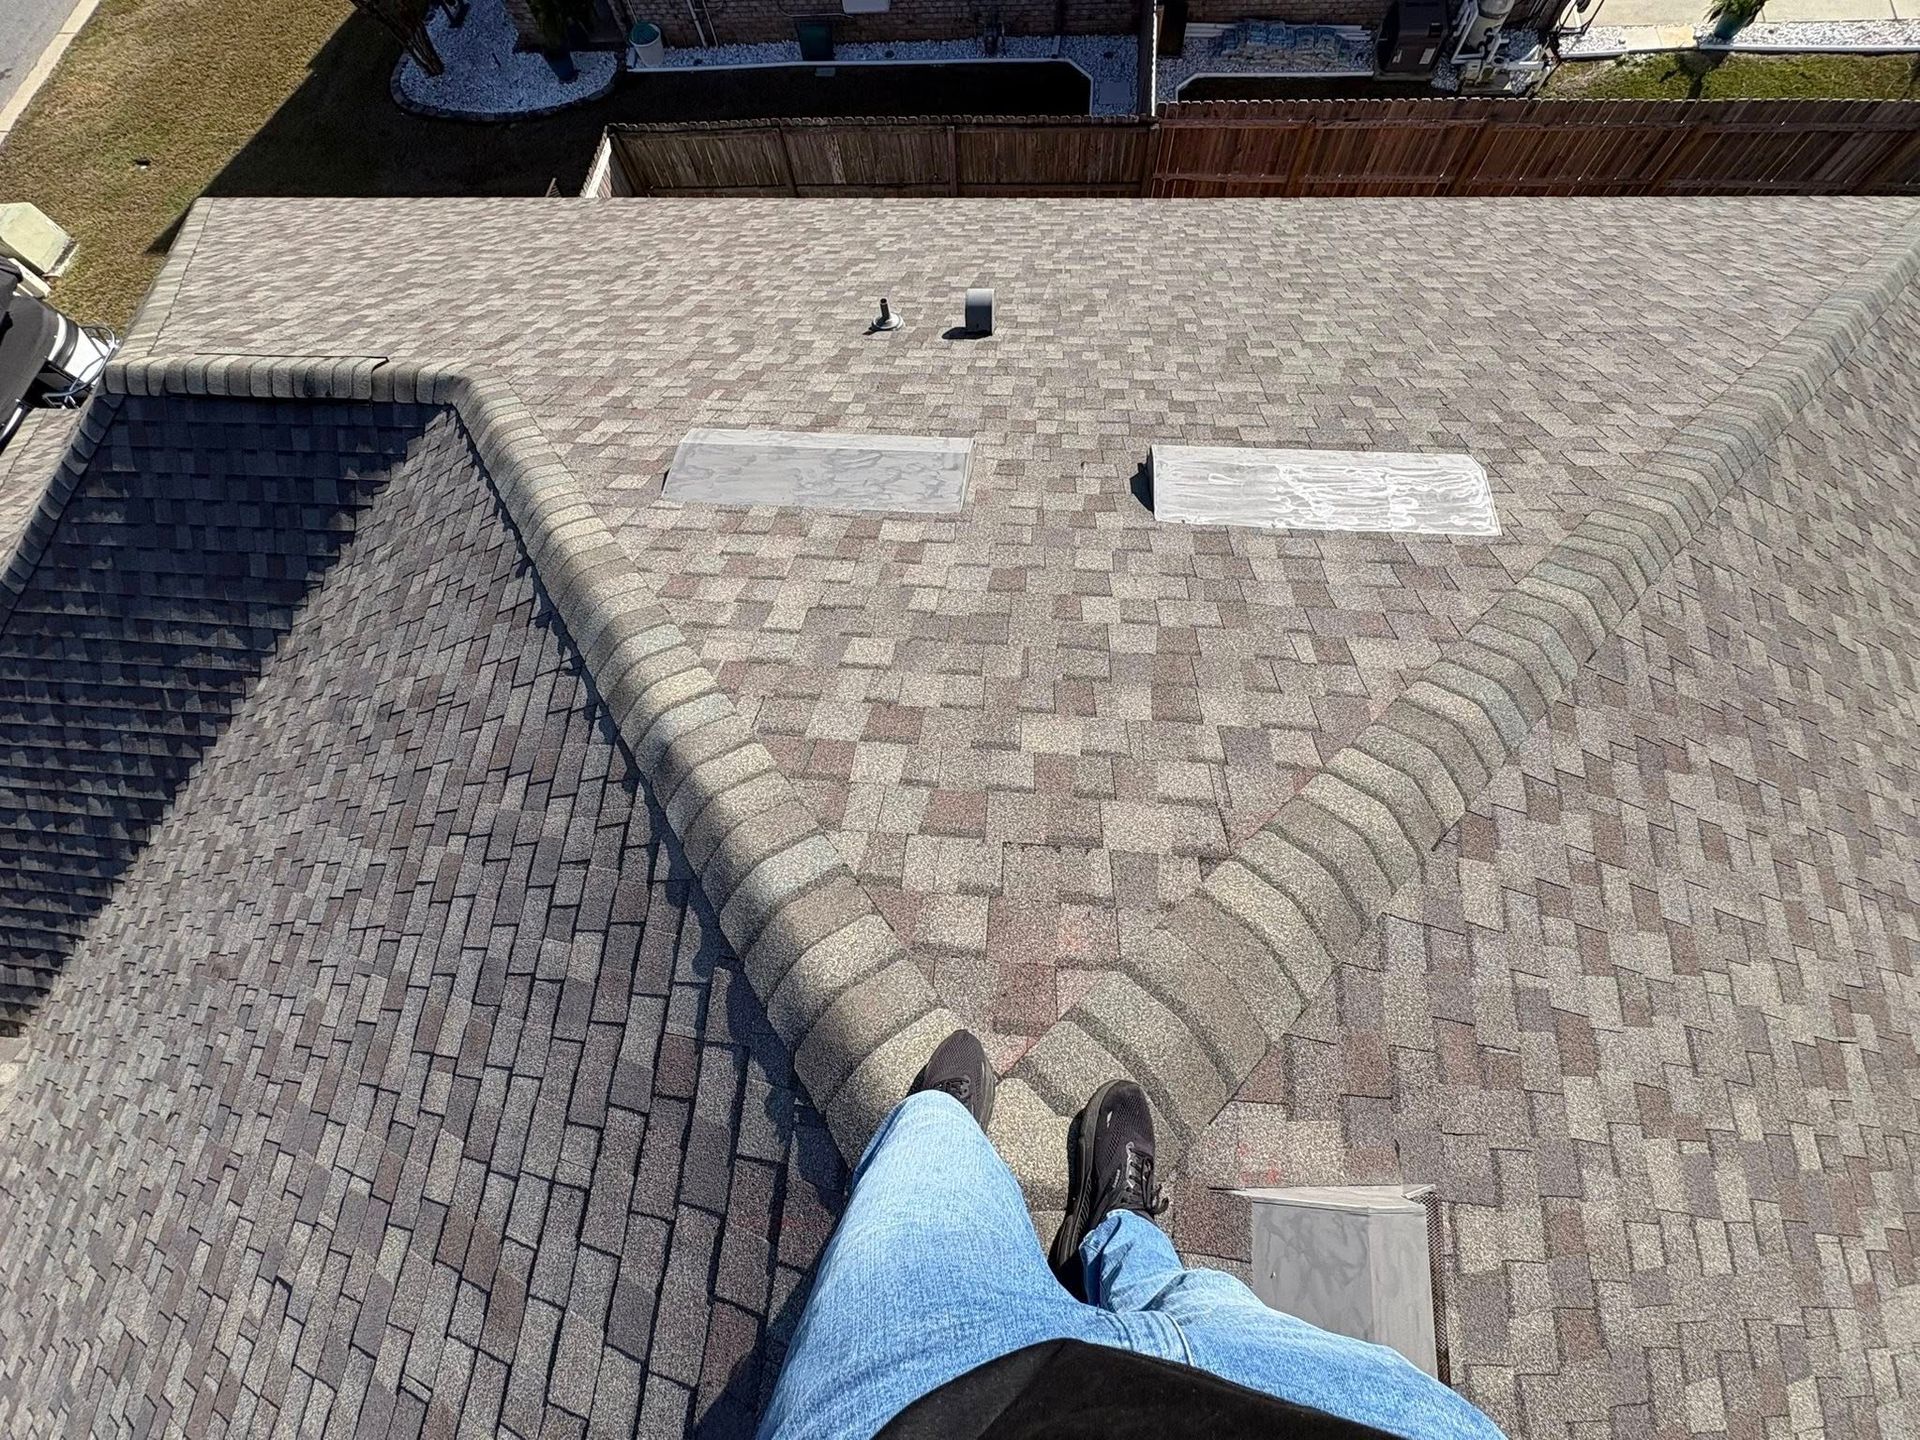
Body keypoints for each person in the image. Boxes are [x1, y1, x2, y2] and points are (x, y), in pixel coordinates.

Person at [759, 1030, 1510, 1440]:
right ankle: (1114, 1229)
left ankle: (941, 1124)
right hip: (1326, 1406)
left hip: (949, 1405)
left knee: (922, 1180)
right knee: (1195, 1297)